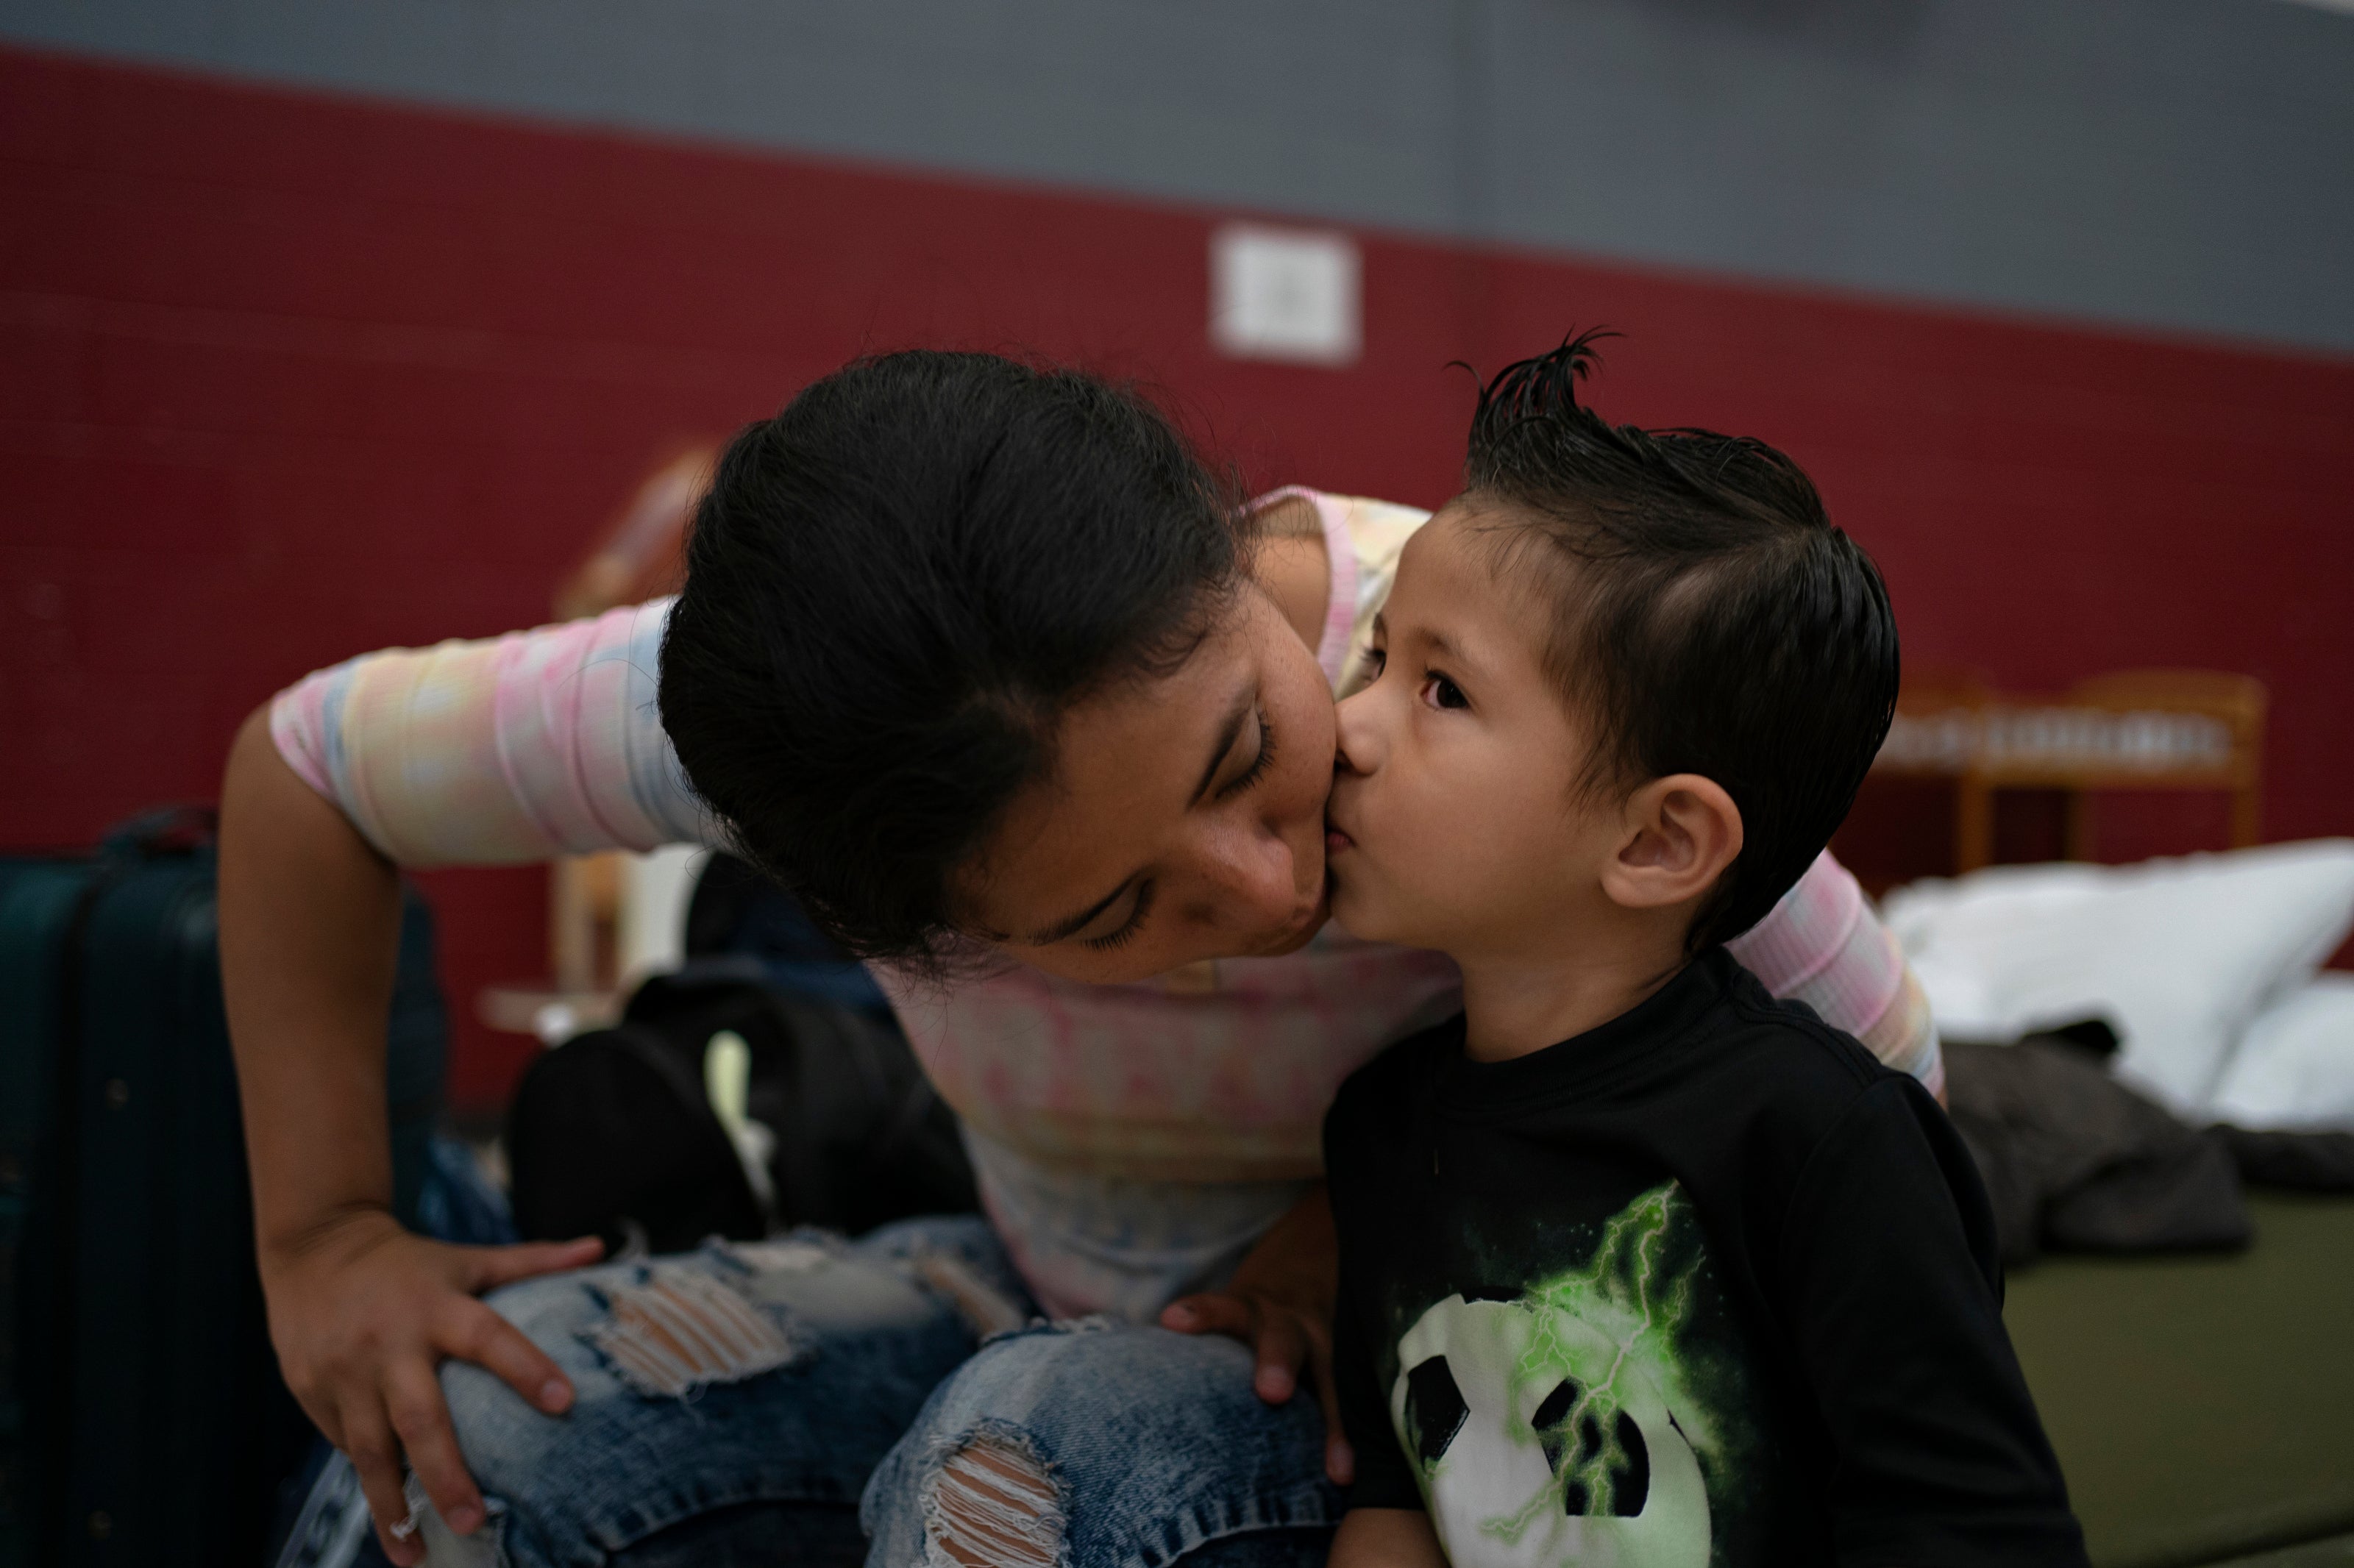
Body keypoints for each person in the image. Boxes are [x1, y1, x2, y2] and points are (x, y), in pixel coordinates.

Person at [219, 349, 1944, 1568]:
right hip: (1026, 1277)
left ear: (1223, 553)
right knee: (467, 1444)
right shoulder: (762, 727)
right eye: (1116, 917)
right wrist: (324, 1236)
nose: (1267, 888)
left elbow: (1878, 1113)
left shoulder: (1484, 675)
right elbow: (307, 767)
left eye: (1240, 745)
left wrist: (1407, 1226)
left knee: (1025, 1463)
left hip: (1415, 1410)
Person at [1319, 340, 2082, 1567]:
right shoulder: (1376, 1130)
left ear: (1661, 840)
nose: (1345, 727)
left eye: (1441, 690)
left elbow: (1974, 1530)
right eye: (1376, 656)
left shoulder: (1819, 1141)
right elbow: (1396, 1504)